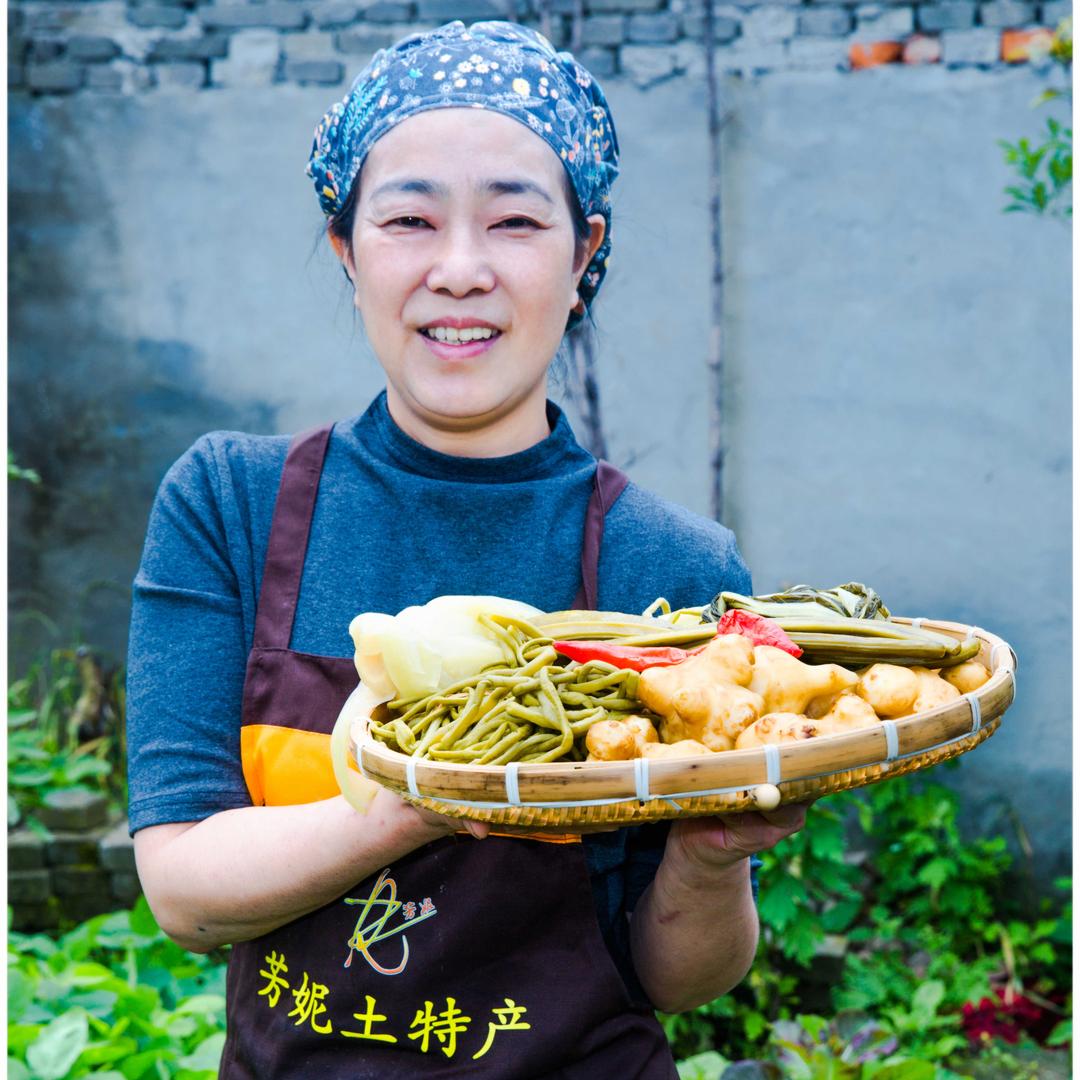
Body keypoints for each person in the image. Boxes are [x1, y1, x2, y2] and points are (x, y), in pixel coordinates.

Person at [128, 20, 808, 1079]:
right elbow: (182, 886)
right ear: (346, 250)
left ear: (584, 256)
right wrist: (416, 799)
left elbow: (677, 976)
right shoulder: (232, 501)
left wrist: (710, 858)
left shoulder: (669, 564)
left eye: (513, 222)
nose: (459, 270)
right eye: (408, 219)